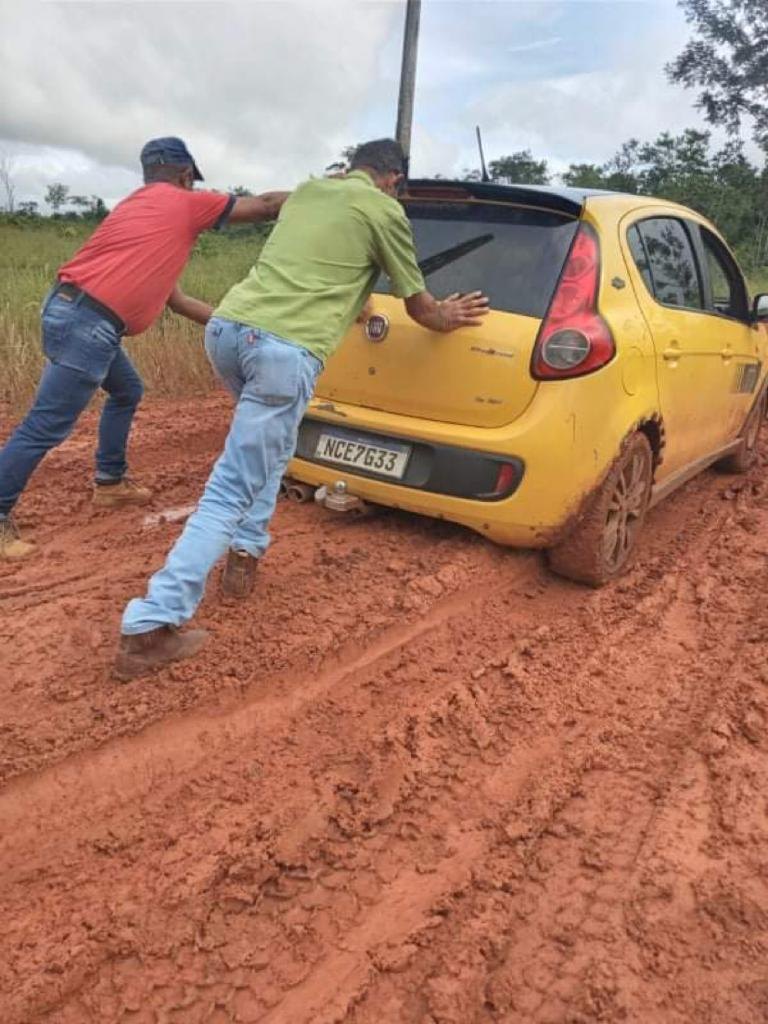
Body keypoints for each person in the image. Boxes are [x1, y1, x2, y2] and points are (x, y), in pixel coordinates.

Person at [115, 138, 489, 681]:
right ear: (392, 179)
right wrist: (449, 316)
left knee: (271, 447)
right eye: (398, 187)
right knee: (230, 487)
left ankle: (245, 554)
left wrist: (354, 303)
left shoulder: (313, 190)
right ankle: (151, 624)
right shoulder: (384, 210)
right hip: (282, 352)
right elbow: (421, 308)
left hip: (227, 332)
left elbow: (327, 263)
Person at [0, 136, 288, 560]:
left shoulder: (139, 210)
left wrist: (242, 325)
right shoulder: (182, 202)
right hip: (89, 324)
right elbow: (265, 206)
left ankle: (111, 483)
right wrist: (323, 194)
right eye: (191, 181)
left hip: (75, 312)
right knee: (43, 427)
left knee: (127, 390)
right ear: (186, 175)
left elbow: (179, 301)